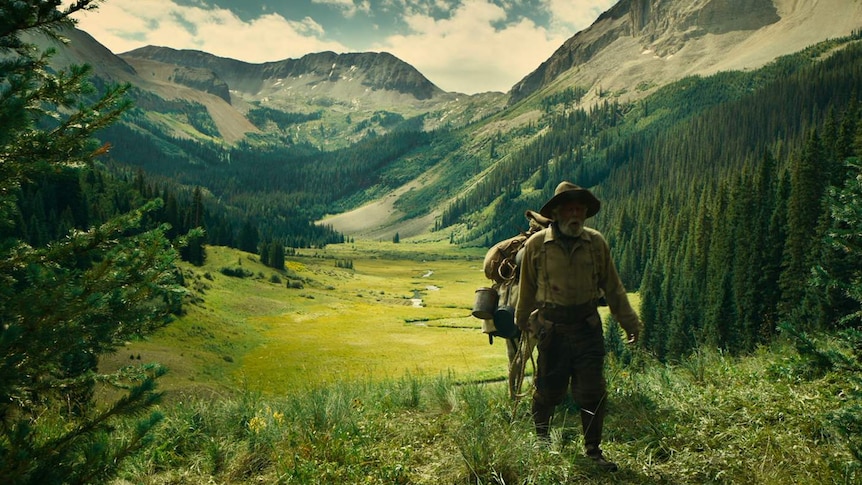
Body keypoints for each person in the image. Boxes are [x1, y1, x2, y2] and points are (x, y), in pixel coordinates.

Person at [515, 181, 642, 472]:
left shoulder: (596, 243)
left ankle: (593, 451)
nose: (575, 214)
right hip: (552, 331)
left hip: (587, 329)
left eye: (580, 209)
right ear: (557, 213)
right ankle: (542, 442)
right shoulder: (537, 245)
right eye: (569, 208)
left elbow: (613, 287)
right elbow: (527, 289)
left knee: (593, 391)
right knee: (547, 390)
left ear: (585, 212)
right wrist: (523, 322)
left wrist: (629, 323)